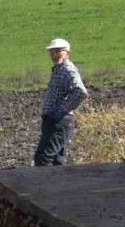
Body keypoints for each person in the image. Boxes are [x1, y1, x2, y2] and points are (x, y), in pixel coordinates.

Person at [34, 38, 88, 166]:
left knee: (43, 157)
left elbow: (80, 91)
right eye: (52, 52)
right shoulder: (59, 69)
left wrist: (62, 110)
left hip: (58, 120)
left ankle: (44, 185)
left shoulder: (67, 69)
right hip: (53, 119)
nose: (54, 55)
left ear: (67, 53)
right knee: (57, 159)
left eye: (58, 51)